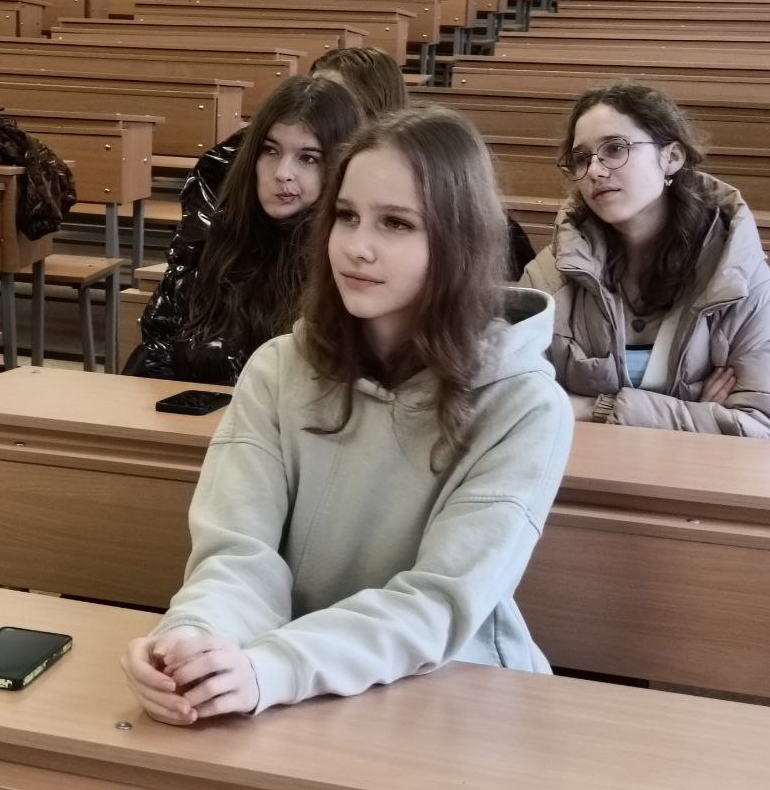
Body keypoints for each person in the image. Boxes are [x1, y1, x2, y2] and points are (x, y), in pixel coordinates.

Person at [121, 107, 573, 723]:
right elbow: (237, 554)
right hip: (284, 682)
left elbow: (438, 602)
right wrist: (196, 639)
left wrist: (273, 667)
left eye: (396, 223)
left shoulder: (523, 405)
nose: (357, 247)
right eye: (345, 215)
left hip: (448, 693)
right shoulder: (278, 369)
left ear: (457, 241)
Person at [520, 83, 770, 437]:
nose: (594, 170)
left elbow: (758, 426)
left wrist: (592, 407)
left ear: (672, 157)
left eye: (615, 148)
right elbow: (513, 401)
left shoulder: (740, 277)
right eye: (582, 158)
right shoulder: (549, 275)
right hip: (579, 468)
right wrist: (697, 413)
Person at [122, 75, 362, 382]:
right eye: (270, 151)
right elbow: (160, 347)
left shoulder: (347, 260)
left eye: (308, 158)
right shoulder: (216, 235)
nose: (283, 173)